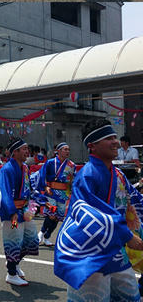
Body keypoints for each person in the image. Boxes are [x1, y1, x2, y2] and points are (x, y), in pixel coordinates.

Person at [54, 119, 143, 301]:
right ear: (92, 146)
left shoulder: (117, 174)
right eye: (109, 138)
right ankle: (13, 268)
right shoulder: (87, 175)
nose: (116, 142)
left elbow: (135, 200)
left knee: (130, 295)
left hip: (116, 251)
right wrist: (127, 235)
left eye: (115, 137)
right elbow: (90, 216)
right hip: (92, 254)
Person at [0, 138, 39, 287]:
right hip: (14, 214)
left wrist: (34, 203)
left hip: (24, 211)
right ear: (14, 152)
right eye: (24, 149)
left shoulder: (25, 168)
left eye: (27, 148)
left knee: (31, 240)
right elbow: (4, 192)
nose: (27, 151)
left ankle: (15, 263)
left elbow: (28, 188)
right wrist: (12, 212)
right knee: (14, 240)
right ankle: (11, 274)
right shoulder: (7, 169)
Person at [37, 142, 75, 246]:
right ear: (58, 151)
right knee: (51, 215)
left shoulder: (71, 165)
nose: (67, 151)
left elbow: (72, 180)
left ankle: (47, 236)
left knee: (58, 217)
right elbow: (42, 175)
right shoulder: (50, 162)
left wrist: (71, 191)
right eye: (65, 149)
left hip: (63, 193)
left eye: (68, 149)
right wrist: (46, 187)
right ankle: (41, 232)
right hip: (51, 191)